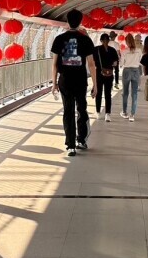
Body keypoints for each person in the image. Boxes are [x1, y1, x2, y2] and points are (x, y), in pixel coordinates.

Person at [51, 10, 98, 156]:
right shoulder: (85, 40)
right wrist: (95, 84)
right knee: (81, 109)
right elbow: (91, 64)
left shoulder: (59, 39)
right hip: (80, 80)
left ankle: (70, 145)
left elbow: (54, 64)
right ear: (80, 21)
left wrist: (54, 83)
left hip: (64, 80)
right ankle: (81, 140)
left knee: (68, 111)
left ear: (67, 21)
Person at [93, 33, 120, 121]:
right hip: (109, 74)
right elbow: (115, 63)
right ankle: (107, 114)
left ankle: (98, 112)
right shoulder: (112, 50)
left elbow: (92, 62)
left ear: (101, 40)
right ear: (109, 40)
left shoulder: (96, 49)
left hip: (99, 73)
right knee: (108, 94)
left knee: (99, 93)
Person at [119, 35, 143, 121]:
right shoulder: (139, 51)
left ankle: (125, 112)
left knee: (125, 93)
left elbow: (121, 63)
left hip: (126, 71)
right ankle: (132, 115)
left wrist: (122, 64)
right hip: (136, 71)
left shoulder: (124, 51)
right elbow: (141, 62)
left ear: (126, 42)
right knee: (134, 94)